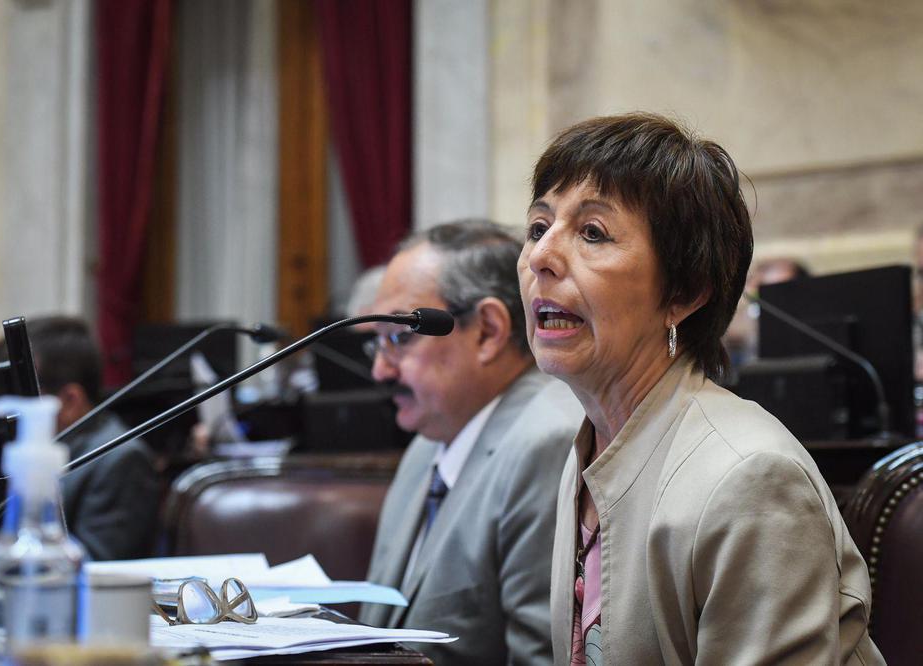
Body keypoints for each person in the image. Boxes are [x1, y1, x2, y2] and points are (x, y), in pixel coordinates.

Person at [517, 114, 883, 664]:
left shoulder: (750, 478)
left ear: (683, 294)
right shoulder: (592, 447)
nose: (541, 256)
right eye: (538, 227)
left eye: (592, 232)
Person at [359, 220, 584, 664]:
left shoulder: (547, 443)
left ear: (487, 331)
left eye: (399, 338)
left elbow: (538, 659)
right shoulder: (428, 443)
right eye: (377, 344)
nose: (380, 371)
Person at [26, 316, 160, 561]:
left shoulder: (122, 460)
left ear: (70, 401)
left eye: (25, 395)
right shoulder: (35, 450)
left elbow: (95, 567)